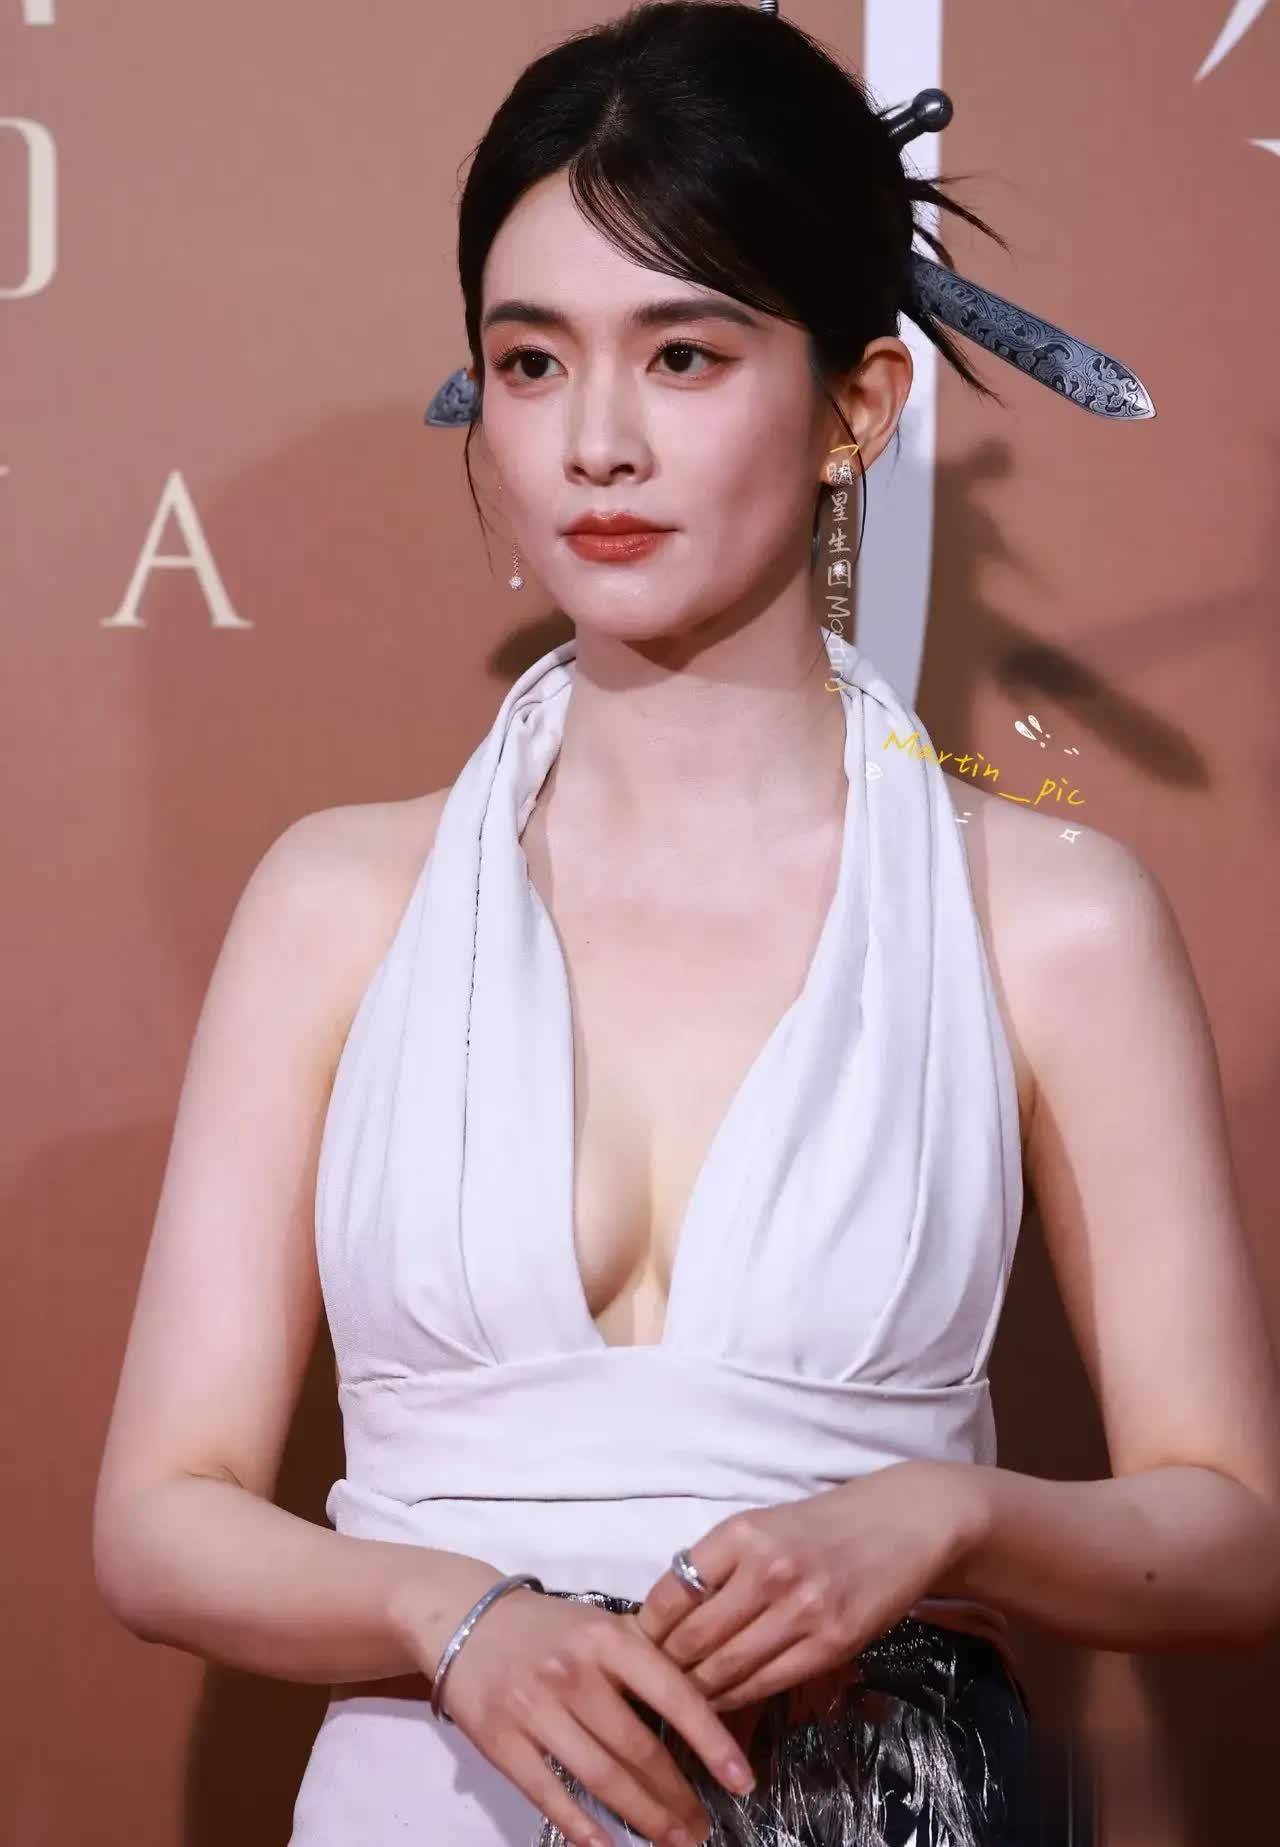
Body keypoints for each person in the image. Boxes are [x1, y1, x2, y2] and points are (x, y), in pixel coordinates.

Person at [91, 5, 1280, 1846]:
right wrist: (449, 1615)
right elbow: (159, 1516)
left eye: (686, 354)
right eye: (532, 361)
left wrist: (951, 1515)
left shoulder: (1051, 918)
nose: (599, 442)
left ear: (857, 408)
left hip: (878, 1801)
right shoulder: (338, 904)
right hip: (430, 1798)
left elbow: (1233, 1533)